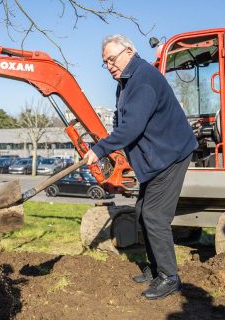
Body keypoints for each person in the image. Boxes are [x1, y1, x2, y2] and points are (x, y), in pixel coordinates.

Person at [84, 35, 197, 300]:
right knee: (141, 211)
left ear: (130, 51)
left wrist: (100, 149)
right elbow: (121, 120)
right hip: (154, 157)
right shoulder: (125, 82)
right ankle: (156, 269)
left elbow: (132, 127)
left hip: (170, 155)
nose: (110, 65)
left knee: (155, 216)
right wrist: (111, 145)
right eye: (105, 63)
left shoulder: (143, 79)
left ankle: (170, 277)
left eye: (112, 59)